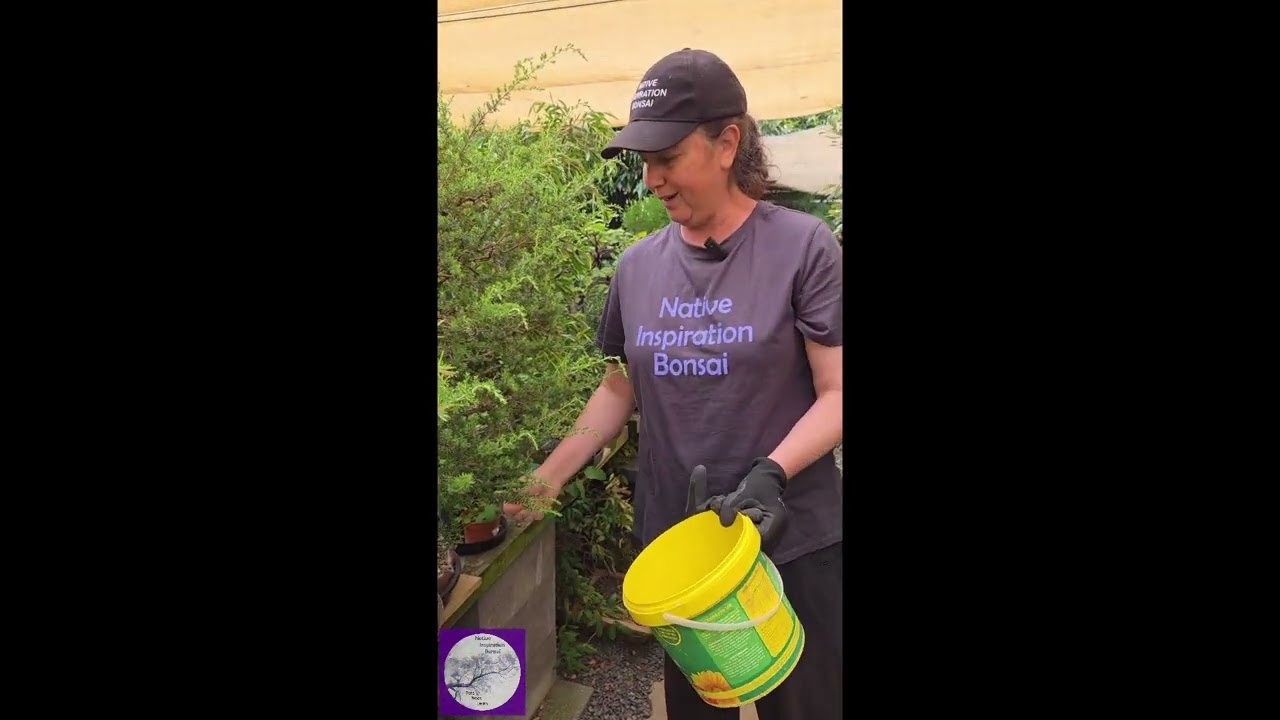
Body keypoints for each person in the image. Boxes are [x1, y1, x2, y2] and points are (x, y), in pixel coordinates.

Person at [505, 48, 843, 718]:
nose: (653, 179)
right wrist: (543, 481)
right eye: (644, 161)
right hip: (679, 546)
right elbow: (617, 389)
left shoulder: (803, 247)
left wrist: (771, 470)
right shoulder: (637, 269)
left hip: (789, 538)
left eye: (668, 158)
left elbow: (837, 391)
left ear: (727, 143)